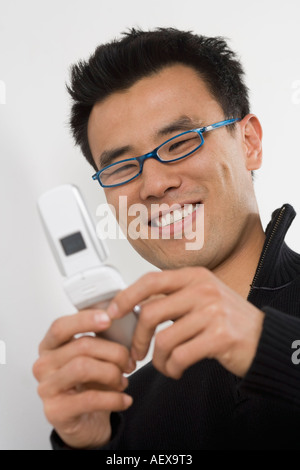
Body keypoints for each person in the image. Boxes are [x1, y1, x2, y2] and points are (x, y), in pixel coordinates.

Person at [33, 28, 300, 450]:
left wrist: (269, 349)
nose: (154, 184)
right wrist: (93, 448)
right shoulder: (127, 404)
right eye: (121, 168)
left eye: (179, 142)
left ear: (249, 142)